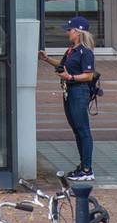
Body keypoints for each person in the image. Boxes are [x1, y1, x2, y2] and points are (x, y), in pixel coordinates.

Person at [38, 16, 97, 182]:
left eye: (70, 30)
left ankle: (87, 169)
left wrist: (70, 77)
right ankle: (83, 165)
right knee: (77, 129)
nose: (67, 32)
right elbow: (63, 65)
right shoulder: (71, 50)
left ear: (78, 32)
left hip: (79, 92)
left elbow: (88, 76)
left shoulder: (85, 52)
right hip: (70, 92)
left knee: (83, 130)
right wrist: (47, 59)